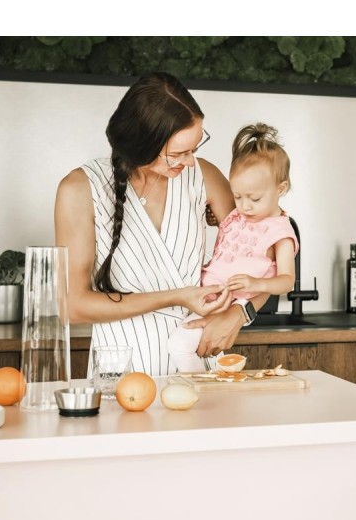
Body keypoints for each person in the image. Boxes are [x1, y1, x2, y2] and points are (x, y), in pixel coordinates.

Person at [54, 73, 266, 375]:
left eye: (194, 149)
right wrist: (176, 296)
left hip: (198, 367)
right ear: (141, 146)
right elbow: (73, 307)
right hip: (119, 375)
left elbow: (270, 261)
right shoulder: (80, 189)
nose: (190, 162)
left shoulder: (204, 178)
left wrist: (239, 314)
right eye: (177, 154)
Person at [166, 123, 298, 373]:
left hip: (228, 302)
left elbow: (286, 281)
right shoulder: (239, 215)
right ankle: (205, 383)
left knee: (179, 345)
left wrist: (256, 284)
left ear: (281, 189)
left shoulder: (281, 232)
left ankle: (200, 387)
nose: (244, 206)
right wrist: (213, 218)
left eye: (254, 198)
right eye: (238, 196)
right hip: (207, 296)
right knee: (187, 348)